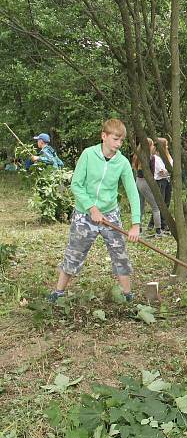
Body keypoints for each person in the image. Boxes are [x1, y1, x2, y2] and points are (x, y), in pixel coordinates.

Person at [47, 119, 141, 303]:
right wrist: (92, 208)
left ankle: (128, 296)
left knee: (120, 254)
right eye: (115, 139)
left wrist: (136, 224)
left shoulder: (122, 162)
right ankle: (58, 292)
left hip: (110, 215)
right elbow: (76, 184)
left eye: (121, 141)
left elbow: (132, 192)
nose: (118, 144)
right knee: (74, 253)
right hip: (85, 214)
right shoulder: (88, 155)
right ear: (104, 136)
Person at [132, 138, 165, 238]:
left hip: (138, 181)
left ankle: (139, 229)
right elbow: (151, 173)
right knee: (155, 207)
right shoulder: (151, 158)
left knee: (140, 206)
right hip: (146, 182)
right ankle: (158, 230)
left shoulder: (137, 156)